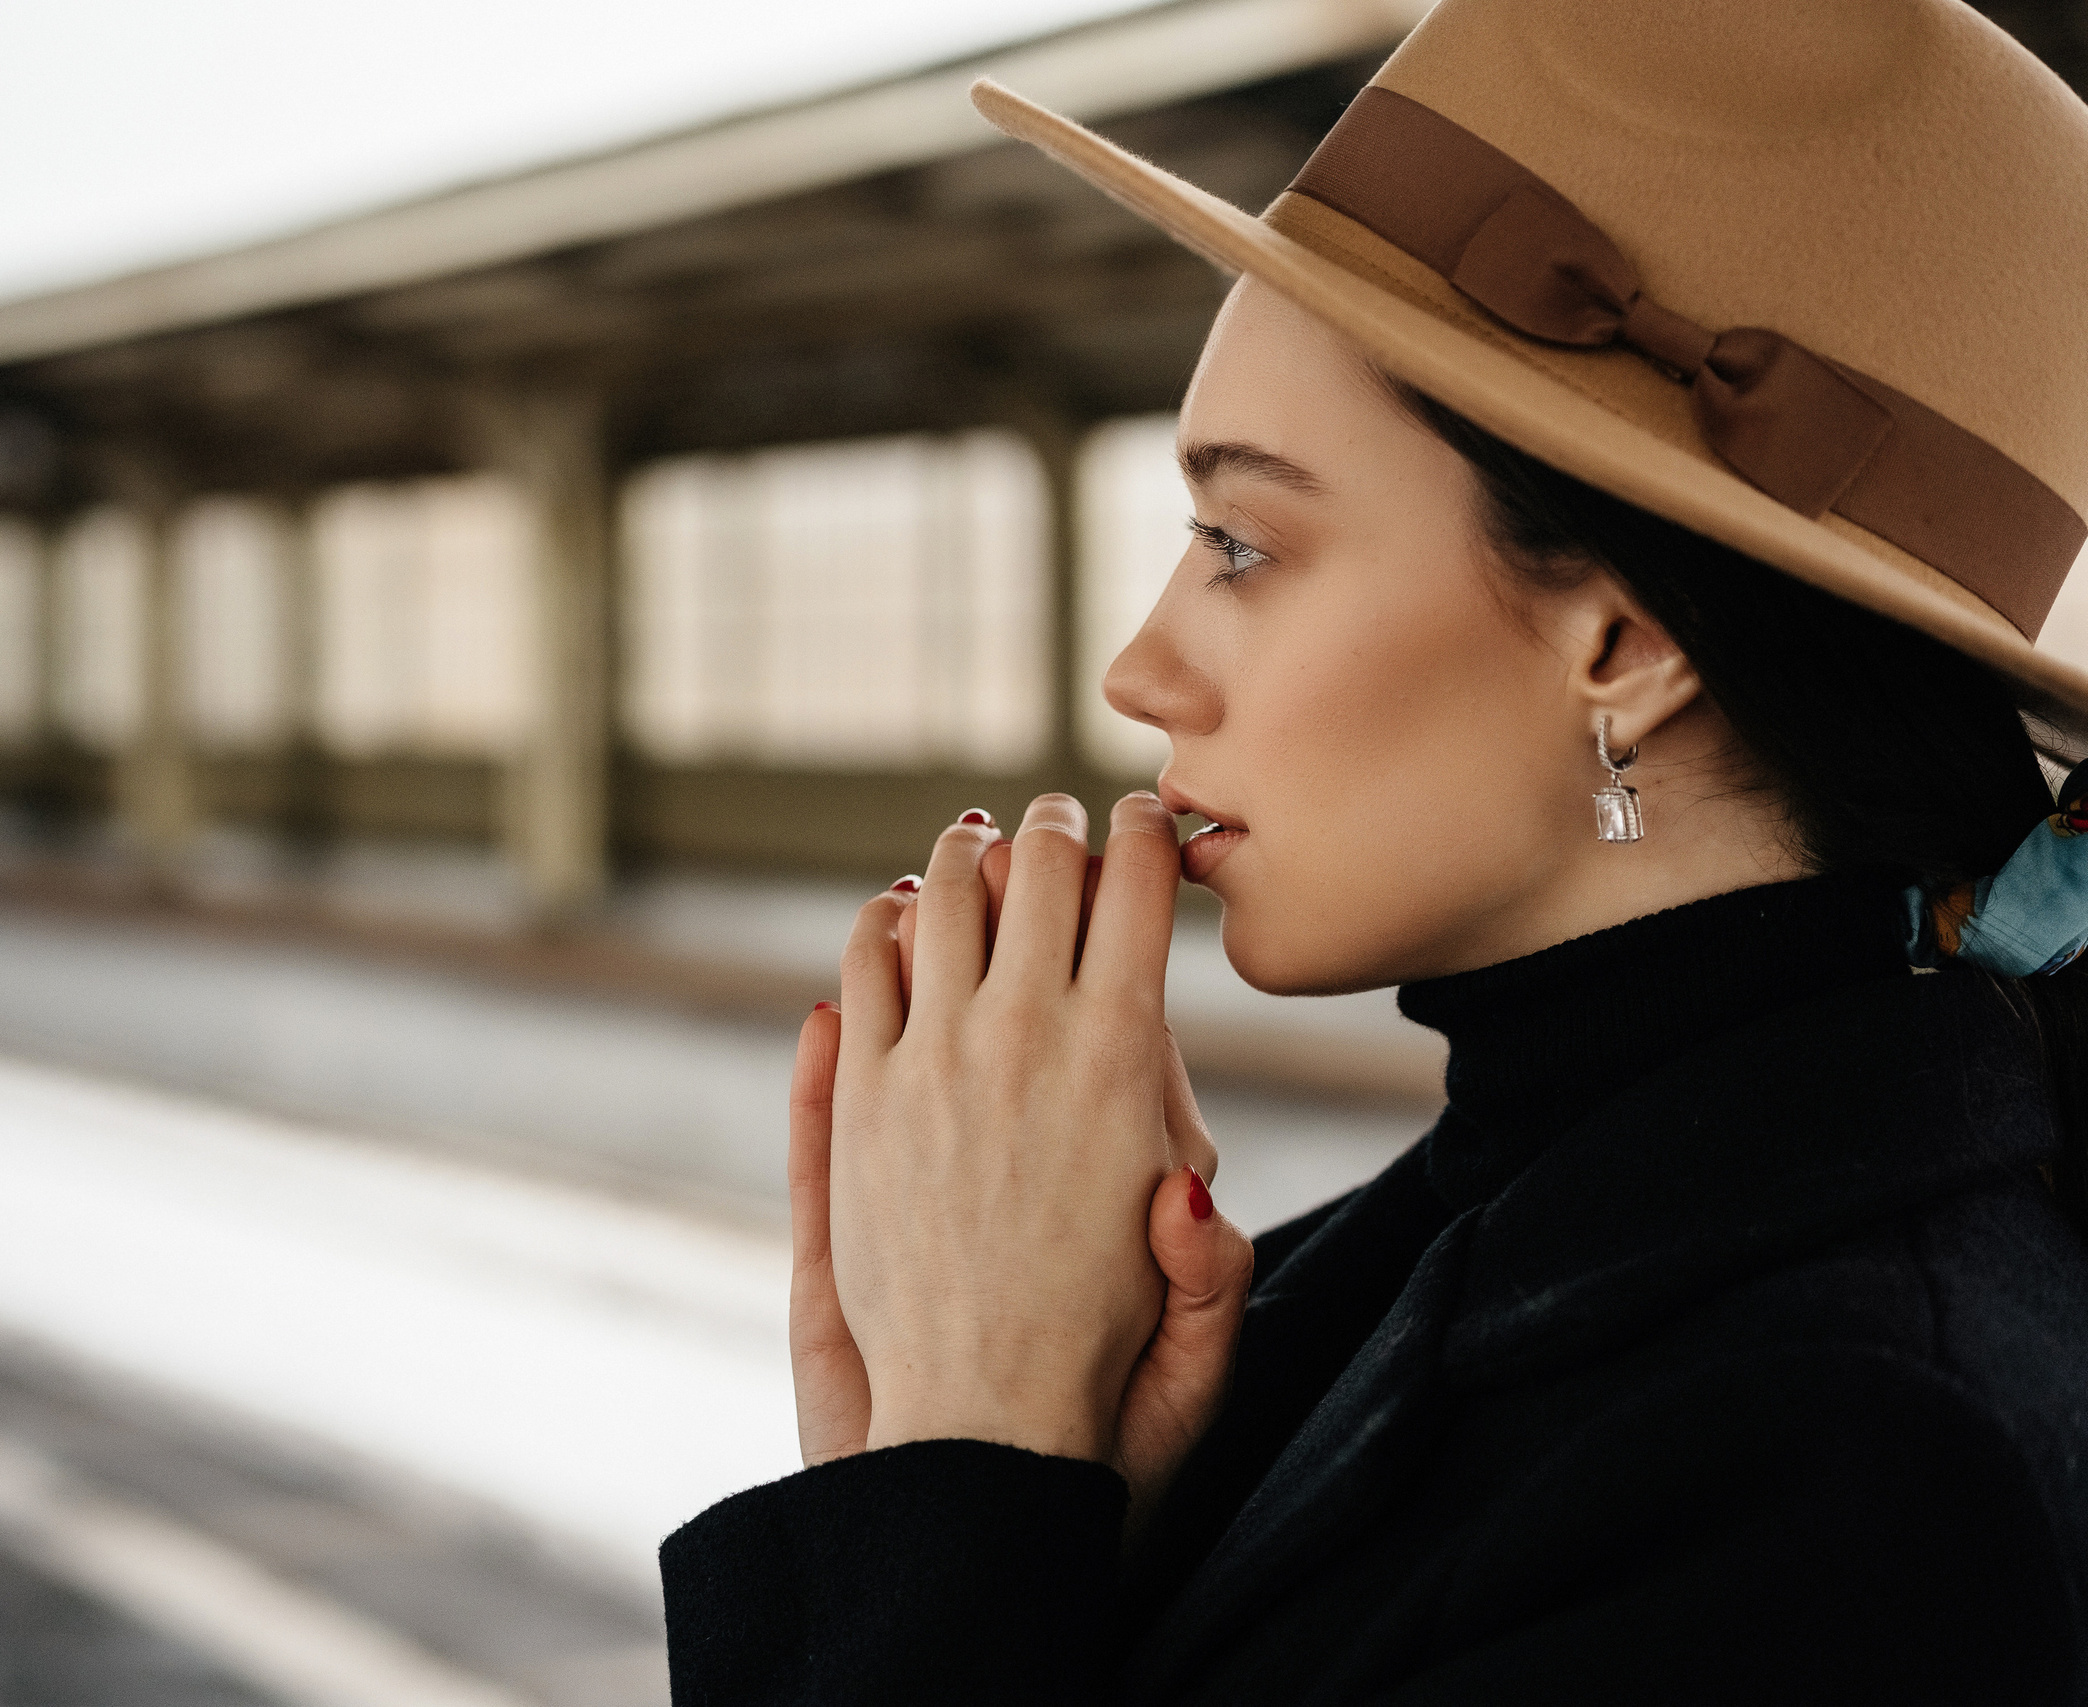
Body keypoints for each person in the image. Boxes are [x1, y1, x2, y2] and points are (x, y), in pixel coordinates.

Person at [660, 0, 2088, 1699]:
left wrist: (964, 1475)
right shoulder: (1481, 1244)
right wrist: (1047, 1506)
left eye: (1240, 543)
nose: (1140, 670)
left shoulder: (1858, 1476)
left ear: (1626, 645)